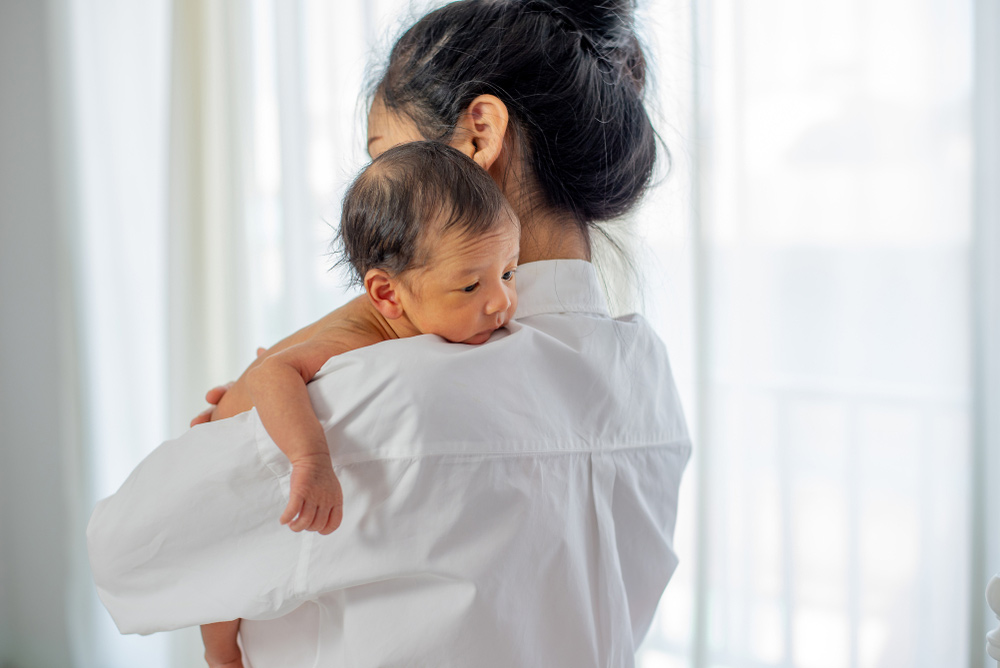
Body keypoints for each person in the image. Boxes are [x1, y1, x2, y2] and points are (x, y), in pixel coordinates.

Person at [87, 2, 691, 667]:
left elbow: (123, 552)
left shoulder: (382, 396)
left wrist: (253, 415)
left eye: (387, 158)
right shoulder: (649, 377)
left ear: (479, 135)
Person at [197, 140, 520, 666]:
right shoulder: (362, 336)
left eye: (509, 271)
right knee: (222, 575)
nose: (501, 302)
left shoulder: (407, 305)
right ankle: (220, 657)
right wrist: (311, 459)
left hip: (239, 422)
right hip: (222, 463)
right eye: (470, 286)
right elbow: (277, 370)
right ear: (387, 294)